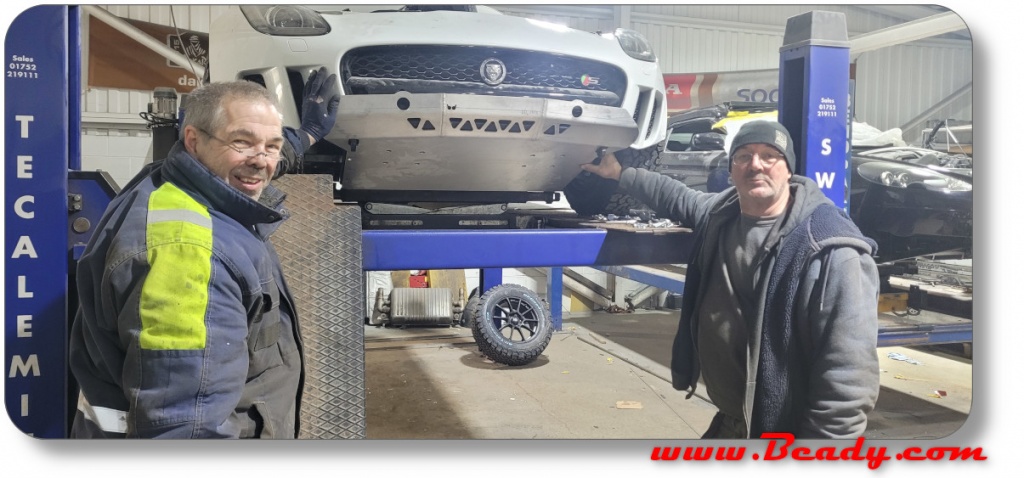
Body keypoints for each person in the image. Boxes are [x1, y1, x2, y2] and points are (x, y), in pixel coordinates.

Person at [68, 67, 340, 438]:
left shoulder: (176, 180)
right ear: (194, 140)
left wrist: (304, 135)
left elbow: (251, 160)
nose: (262, 160)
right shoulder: (188, 257)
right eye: (242, 141)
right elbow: (186, 426)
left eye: (272, 145)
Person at [582, 120, 880, 438]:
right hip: (734, 422)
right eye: (743, 156)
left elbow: (849, 378)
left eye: (769, 156)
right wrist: (619, 173)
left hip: (786, 433)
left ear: (788, 168)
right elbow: (675, 197)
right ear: (731, 169)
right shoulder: (722, 215)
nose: (755, 165)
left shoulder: (832, 250)